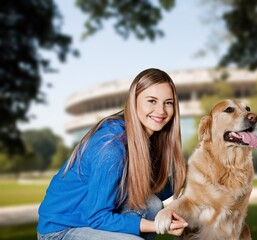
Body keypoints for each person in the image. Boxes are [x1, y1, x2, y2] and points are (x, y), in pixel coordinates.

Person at [37, 68, 188, 240]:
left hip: (89, 219)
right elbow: (98, 217)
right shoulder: (111, 146)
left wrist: (195, 175)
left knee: (152, 204)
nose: (161, 111)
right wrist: (158, 225)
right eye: (152, 101)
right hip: (60, 229)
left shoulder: (148, 139)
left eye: (168, 102)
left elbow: (155, 189)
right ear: (134, 102)